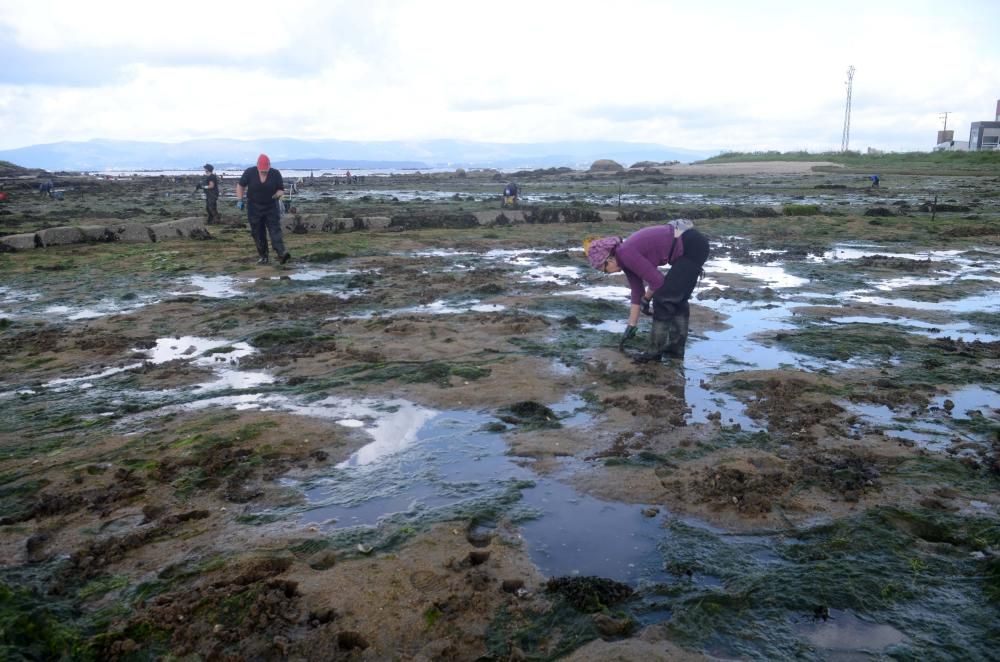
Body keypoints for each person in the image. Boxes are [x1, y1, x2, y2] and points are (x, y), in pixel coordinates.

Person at [585, 219, 710, 362]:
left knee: (664, 298)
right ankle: (675, 349)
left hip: (692, 247)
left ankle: (654, 352)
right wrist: (631, 326)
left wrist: (648, 298)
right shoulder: (624, 258)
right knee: (677, 299)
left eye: (604, 270)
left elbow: (657, 281)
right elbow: (637, 292)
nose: (608, 273)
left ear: (610, 260)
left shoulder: (626, 253)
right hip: (690, 245)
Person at [236, 154, 290, 265]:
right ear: (257, 166)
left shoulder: (275, 174)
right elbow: (240, 186)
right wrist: (240, 200)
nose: (264, 172)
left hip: (271, 206)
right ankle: (263, 256)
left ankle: (281, 254)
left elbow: (281, 190)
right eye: (262, 171)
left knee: (275, 230)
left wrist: (277, 195)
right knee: (257, 232)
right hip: (254, 207)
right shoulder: (249, 172)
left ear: (269, 166)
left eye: (266, 171)